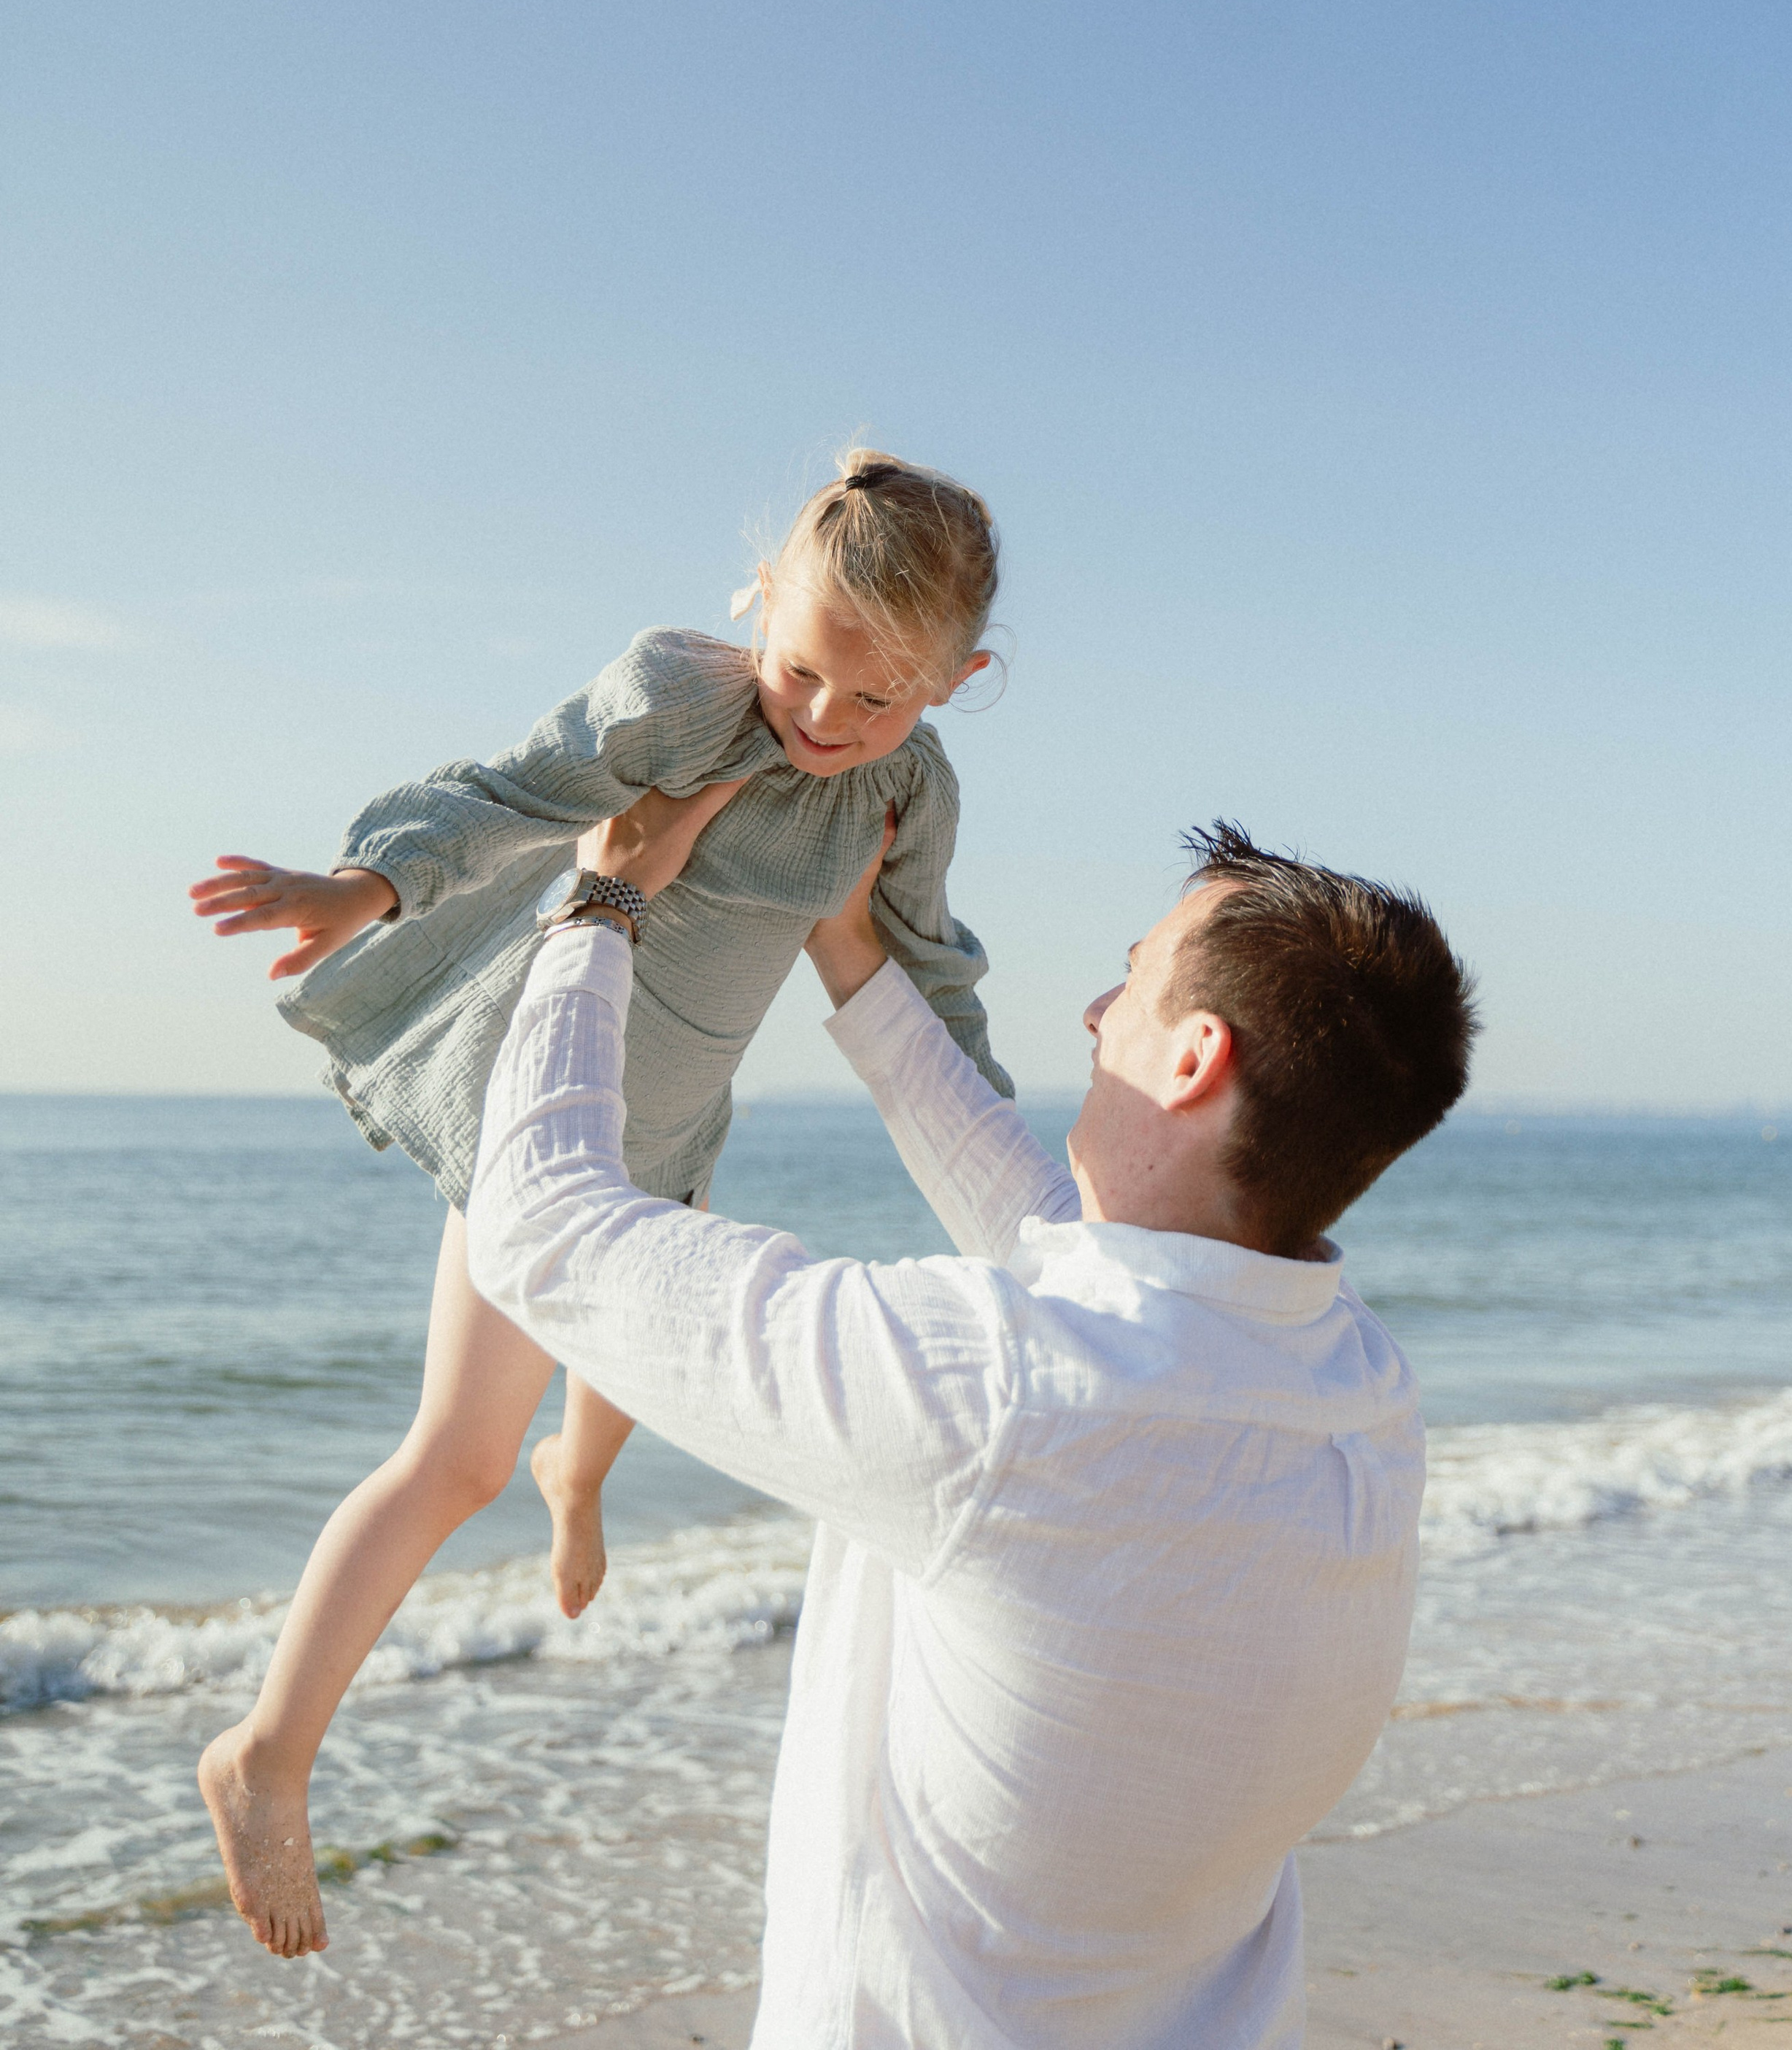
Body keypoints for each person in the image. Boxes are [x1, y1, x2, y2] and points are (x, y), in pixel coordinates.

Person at [468, 792, 1478, 2049]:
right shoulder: (1358, 1393)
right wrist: (850, 953)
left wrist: (602, 899)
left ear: (1193, 1057)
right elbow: (1058, 1244)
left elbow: (539, 1231)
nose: (1100, 1015)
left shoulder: (1006, 1397)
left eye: (1134, 983)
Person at [185, 452, 1011, 1960]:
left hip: (678, 1129)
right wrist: (357, 890)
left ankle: (579, 1480)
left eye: (879, 698)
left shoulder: (902, 788)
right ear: (762, 601)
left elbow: (922, 965)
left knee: (627, 1372)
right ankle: (267, 1750)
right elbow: (510, 794)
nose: (826, 723)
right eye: (807, 670)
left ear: (956, 682)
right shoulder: (680, 700)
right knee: (455, 1455)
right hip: (546, 1113)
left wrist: (1010, 1179)